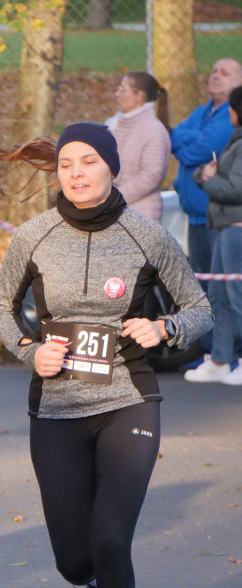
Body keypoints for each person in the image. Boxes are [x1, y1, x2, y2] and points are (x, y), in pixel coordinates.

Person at [0, 123, 212, 588]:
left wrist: (164, 329)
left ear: (112, 167)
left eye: (89, 161)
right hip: (56, 407)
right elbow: (0, 308)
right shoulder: (34, 236)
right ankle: (90, 586)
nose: (77, 172)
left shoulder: (146, 235)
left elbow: (199, 308)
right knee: (73, 559)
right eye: (66, 164)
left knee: (111, 540)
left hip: (127, 400)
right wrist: (28, 350)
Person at [185, 85, 242, 385]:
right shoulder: (235, 140)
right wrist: (203, 175)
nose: (229, 112)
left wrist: (207, 181)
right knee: (218, 295)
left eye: (232, 108)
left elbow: (236, 189)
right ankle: (220, 359)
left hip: (236, 229)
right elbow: (213, 174)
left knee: (237, 295)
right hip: (222, 228)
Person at [171, 59, 242, 284]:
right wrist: (196, 138)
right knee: (198, 286)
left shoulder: (232, 118)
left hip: (219, 219)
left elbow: (202, 149)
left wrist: (192, 140)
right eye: (213, 70)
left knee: (221, 285)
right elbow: (173, 138)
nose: (215, 75)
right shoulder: (201, 111)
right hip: (194, 218)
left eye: (224, 72)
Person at [107, 71, 171, 222]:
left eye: (122, 89)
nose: (117, 94)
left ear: (139, 95)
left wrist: (114, 198)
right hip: (115, 212)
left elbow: (151, 175)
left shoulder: (153, 129)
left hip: (141, 216)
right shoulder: (113, 125)